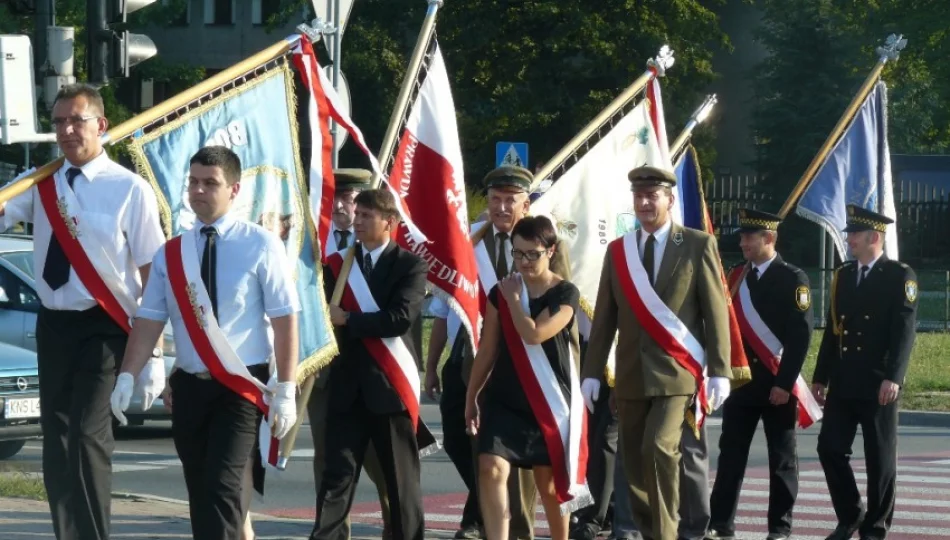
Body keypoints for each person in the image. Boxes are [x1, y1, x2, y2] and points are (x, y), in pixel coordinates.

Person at [0, 83, 166, 540]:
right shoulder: (41, 183)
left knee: (88, 437)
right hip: (54, 325)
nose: (67, 130)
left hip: (106, 327)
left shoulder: (130, 190)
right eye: (58, 122)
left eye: (76, 120)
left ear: (101, 125)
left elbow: (154, 274)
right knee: (57, 442)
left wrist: (152, 356)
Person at [109, 146, 299, 539]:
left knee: (223, 487)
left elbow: (285, 318)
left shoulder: (261, 244)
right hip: (190, 386)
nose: (198, 190)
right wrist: (128, 375)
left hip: (241, 387)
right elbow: (149, 320)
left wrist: (286, 388)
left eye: (209, 183)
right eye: (193, 181)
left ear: (234, 189)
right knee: (200, 490)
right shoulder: (172, 252)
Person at [579, 165, 732, 540]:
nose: (645, 203)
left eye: (652, 195)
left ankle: (667, 534)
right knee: (634, 464)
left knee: (659, 449)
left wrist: (720, 369)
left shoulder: (697, 244)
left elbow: (716, 311)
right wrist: (592, 371)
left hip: (676, 373)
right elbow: (605, 319)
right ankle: (652, 533)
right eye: (639, 196)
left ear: (670, 199)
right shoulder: (620, 251)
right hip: (630, 374)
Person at [426, 165, 543, 540]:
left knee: (504, 447)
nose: (502, 207)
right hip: (465, 355)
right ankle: (481, 507)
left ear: (526, 204)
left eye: (511, 200)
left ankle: (503, 525)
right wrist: (431, 366)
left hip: (517, 358)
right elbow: (444, 311)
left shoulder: (540, 243)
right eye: (496, 199)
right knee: (460, 437)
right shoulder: (468, 243)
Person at [312, 188, 429, 540]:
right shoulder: (339, 264)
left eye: (366, 216)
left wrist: (348, 319)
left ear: (389, 223)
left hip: (389, 387)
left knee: (400, 483)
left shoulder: (410, 265)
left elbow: (399, 319)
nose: (358, 221)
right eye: (356, 214)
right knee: (337, 480)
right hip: (347, 389)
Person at [465, 215, 590, 540]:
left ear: (550, 251)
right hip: (506, 400)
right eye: (517, 253)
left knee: (549, 487)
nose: (523, 261)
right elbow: (488, 350)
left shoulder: (564, 293)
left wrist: (515, 301)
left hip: (549, 404)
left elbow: (534, 334)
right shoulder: (501, 292)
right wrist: (472, 399)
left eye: (531, 254)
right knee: (490, 468)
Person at [706, 209, 815, 540]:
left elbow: (800, 339)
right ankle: (721, 524)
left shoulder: (793, 278)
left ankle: (779, 529)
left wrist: (784, 384)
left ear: (769, 238)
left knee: (781, 461)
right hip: (742, 384)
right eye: (741, 237)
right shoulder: (737, 275)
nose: (742, 243)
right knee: (730, 458)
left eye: (748, 237)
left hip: (775, 385)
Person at [812, 205, 917, 540]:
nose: (850, 240)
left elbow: (904, 331)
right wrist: (820, 377)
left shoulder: (899, 276)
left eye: (855, 234)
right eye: (849, 234)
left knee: (879, 458)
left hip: (877, 382)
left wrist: (894, 377)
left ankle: (875, 526)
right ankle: (851, 512)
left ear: (874, 236)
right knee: (829, 448)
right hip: (843, 380)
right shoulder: (843, 275)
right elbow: (833, 329)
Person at [308, 168, 394, 539]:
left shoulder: (376, 245)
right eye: (338, 198)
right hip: (324, 365)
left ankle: (395, 523)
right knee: (329, 458)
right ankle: (331, 531)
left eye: (353, 200)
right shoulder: (311, 241)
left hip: (370, 364)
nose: (344, 206)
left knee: (378, 459)